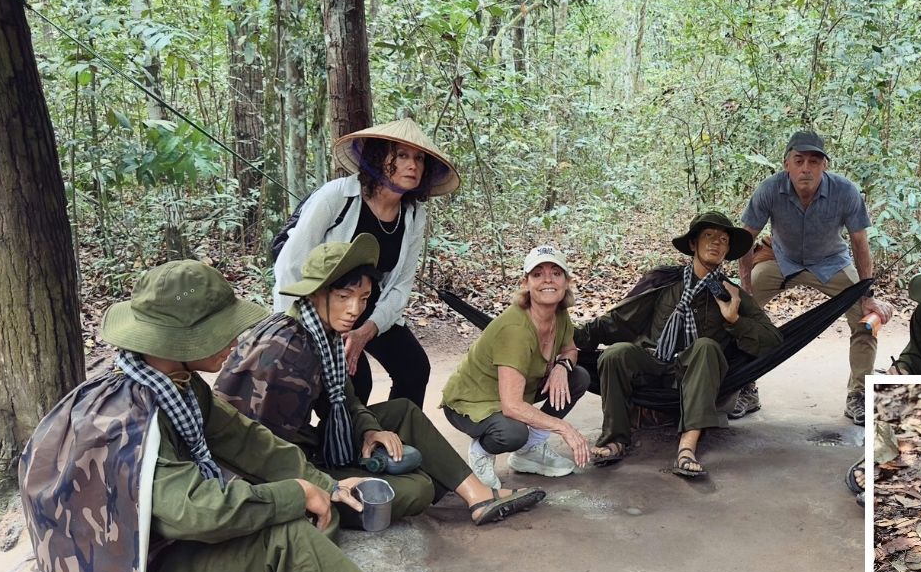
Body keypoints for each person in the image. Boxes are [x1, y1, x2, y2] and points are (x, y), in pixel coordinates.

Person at [0, 262, 457, 572]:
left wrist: (321, 485)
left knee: (316, 517)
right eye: (223, 329)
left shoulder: (176, 385)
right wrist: (293, 494)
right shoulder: (124, 419)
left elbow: (249, 440)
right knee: (286, 535)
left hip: (166, 553)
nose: (237, 338)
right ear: (182, 339)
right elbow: (197, 511)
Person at [217, 235, 543, 526]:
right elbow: (260, 452)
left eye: (363, 298)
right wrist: (324, 486)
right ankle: (450, 484)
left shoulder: (322, 335)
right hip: (278, 470)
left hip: (298, 446)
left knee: (401, 410)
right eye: (344, 296)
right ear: (315, 293)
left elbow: (344, 402)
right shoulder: (289, 352)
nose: (355, 309)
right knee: (418, 488)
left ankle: (478, 495)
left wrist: (370, 430)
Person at [575, 212, 783, 478]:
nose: (716, 243)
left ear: (728, 250)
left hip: (695, 375)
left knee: (706, 346)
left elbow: (773, 341)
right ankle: (615, 439)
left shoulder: (732, 294)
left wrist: (734, 320)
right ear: (693, 244)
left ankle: (687, 447)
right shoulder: (663, 282)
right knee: (615, 354)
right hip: (652, 365)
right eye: (708, 236)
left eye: (723, 239)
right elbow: (616, 322)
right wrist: (565, 338)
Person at [273, 118, 459, 408]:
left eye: (419, 158)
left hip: (368, 301)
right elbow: (290, 265)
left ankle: (398, 442)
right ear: (379, 157)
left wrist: (366, 331)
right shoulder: (337, 196)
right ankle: (345, 446)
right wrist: (296, 331)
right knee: (356, 381)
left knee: (414, 369)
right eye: (401, 155)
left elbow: (399, 286)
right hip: (321, 302)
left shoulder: (412, 214)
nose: (413, 165)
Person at [736, 130, 893, 426]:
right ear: (787, 165)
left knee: (865, 319)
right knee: (740, 313)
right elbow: (745, 238)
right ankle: (746, 387)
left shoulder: (845, 191)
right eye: (799, 160)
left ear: (825, 166)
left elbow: (860, 243)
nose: (806, 168)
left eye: (814, 161)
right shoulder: (769, 189)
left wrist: (867, 293)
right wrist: (745, 289)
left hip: (831, 262)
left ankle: (858, 394)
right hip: (781, 260)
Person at [441, 245, 592, 488]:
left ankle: (529, 452)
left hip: (513, 395)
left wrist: (562, 367)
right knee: (513, 431)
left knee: (579, 377)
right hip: (471, 404)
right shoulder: (516, 330)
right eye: (537, 274)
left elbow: (570, 349)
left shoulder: (559, 314)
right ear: (526, 283)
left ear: (566, 281)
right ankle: (481, 453)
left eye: (556, 273)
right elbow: (511, 406)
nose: (547, 280)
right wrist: (564, 428)